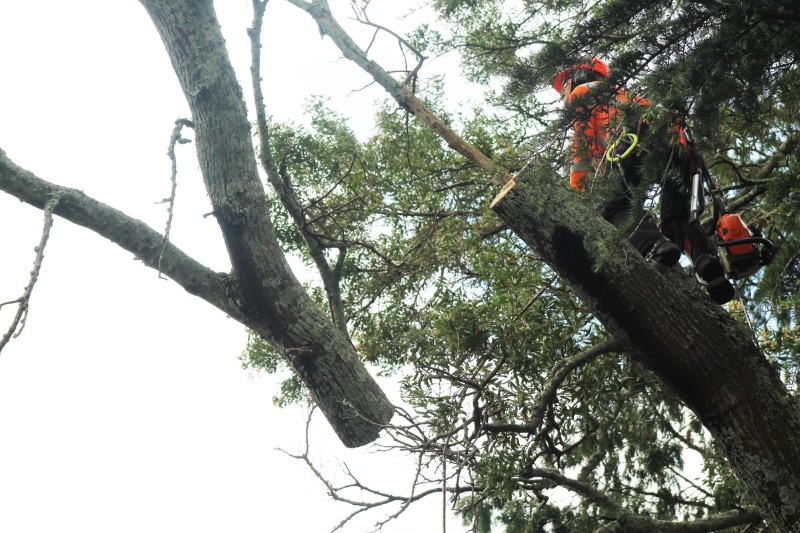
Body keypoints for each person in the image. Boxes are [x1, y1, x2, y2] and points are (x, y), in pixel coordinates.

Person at [553, 58, 734, 304]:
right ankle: (707, 264)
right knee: (676, 216)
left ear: (578, 78)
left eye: (563, 86)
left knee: (613, 207)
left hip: (629, 146)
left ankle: (655, 248)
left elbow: (581, 154)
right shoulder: (626, 95)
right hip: (676, 146)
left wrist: (578, 195)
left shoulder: (582, 94)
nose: (563, 94)